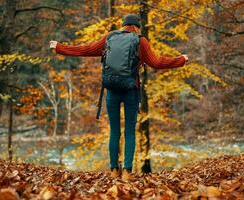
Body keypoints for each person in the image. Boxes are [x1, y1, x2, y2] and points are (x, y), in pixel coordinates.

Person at [49, 14, 188, 181]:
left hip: (112, 89)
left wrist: (59, 47)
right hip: (130, 91)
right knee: (129, 132)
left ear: (123, 26)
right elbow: (157, 62)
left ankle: (114, 170)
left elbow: (85, 50)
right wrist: (181, 60)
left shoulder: (110, 37)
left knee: (114, 132)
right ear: (137, 27)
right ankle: (127, 172)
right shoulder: (140, 41)